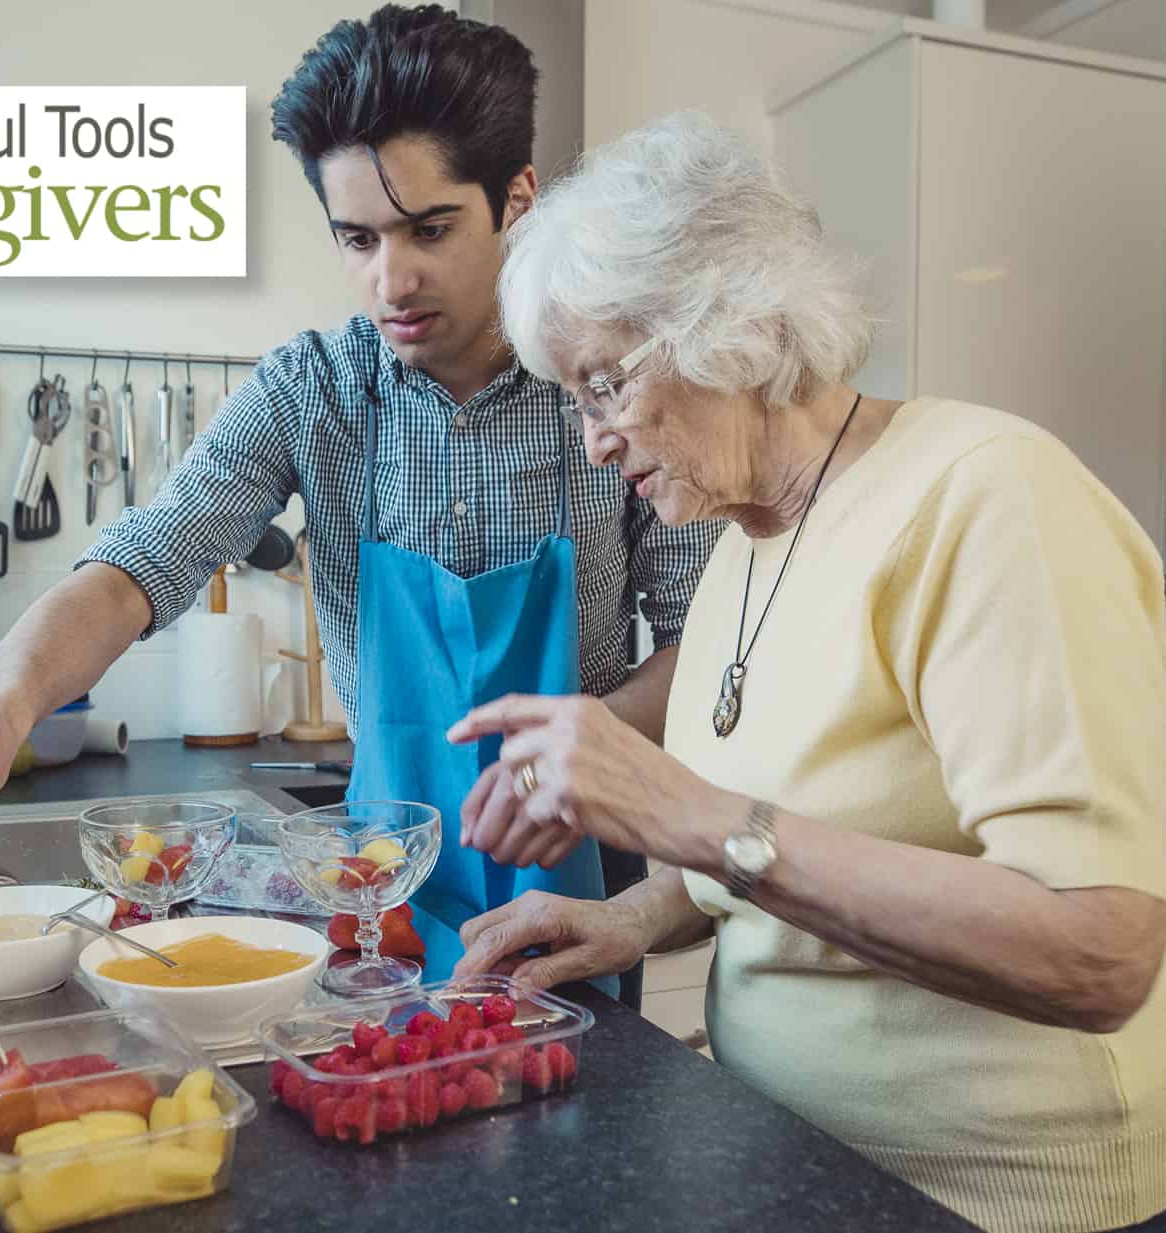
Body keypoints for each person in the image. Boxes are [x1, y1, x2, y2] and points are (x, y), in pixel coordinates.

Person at [0, 7, 721, 977]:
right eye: (355, 239)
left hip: (583, 869)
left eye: (429, 228)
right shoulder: (311, 391)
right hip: (377, 886)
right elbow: (150, 557)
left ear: (515, 197)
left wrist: (586, 737)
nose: (391, 279)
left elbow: (703, 634)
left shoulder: (607, 384)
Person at [448, 111, 1166, 1233]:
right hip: (786, 1153)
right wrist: (635, 917)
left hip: (987, 1199)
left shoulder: (986, 496)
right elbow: (788, 851)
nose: (591, 440)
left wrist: (689, 815)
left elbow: (1097, 949)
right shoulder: (742, 546)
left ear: (723, 320)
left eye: (600, 384)